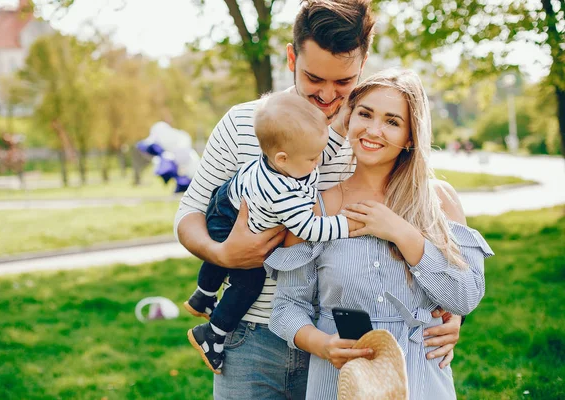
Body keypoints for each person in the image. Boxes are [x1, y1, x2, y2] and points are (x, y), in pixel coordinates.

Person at [174, 1, 462, 398]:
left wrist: (451, 310)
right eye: (313, 78)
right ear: (292, 57)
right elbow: (189, 213)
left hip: (343, 338)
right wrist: (222, 255)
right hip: (248, 337)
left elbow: (422, 222)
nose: (327, 96)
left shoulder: (369, 133)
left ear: (362, 67)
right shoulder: (244, 122)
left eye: (344, 82)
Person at [266, 69, 494, 399]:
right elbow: (287, 306)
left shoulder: (438, 200)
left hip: (421, 377)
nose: (373, 130)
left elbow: (465, 297)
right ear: (349, 117)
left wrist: (402, 232)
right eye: (365, 114)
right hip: (340, 380)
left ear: (411, 136)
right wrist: (323, 344)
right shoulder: (317, 208)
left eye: (392, 121)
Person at [185, 92, 360, 374]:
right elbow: (308, 227)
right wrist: (347, 225)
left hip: (226, 202)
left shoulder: (288, 160)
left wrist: (338, 126)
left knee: (224, 245)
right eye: (313, 158)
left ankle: (203, 294)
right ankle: (213, 333)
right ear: (283, 158)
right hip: (229, 215)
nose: (319, 162)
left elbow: (319, 151)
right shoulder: (281, 192)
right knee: (248, 281)